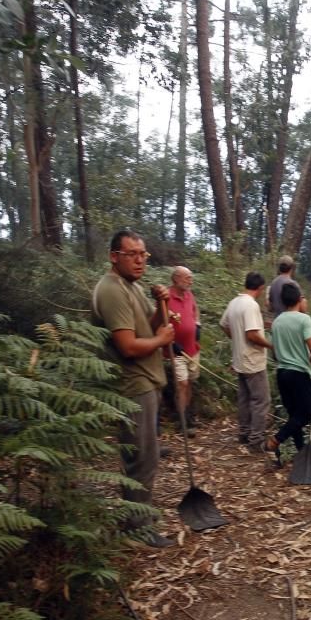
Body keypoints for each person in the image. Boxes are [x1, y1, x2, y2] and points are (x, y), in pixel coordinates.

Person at [91, 229, 176, 548]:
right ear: (115, 257)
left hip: (146, 380)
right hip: (132, 384)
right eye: (132, 254)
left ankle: (138, 518)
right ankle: (137, 528)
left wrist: (158, 306)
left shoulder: (133, 287)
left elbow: (147, 329)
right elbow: (127, 346)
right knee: (140, 459)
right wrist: (161, 341)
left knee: (147, 456)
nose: (140, 260)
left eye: (144, 254)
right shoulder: (111, 290)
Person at [265, 283, 311, 466]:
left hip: (282, 373)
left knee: (293, 415)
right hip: (299, 374)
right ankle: (275, 441)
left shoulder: (277, 322)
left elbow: (276, 352)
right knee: (306, 414)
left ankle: (301, 452)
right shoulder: (303, 320)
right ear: (299, 299)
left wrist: (303, 355)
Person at [219, 272, 273, 452]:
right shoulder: (251, 305)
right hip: (253, 360)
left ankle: (244, 432)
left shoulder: (235, 302)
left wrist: (236, 340)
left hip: (239, 359)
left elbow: (224, 324)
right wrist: (271, 346)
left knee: (244, 398)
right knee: (260, 400)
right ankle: (256, 439)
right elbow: (251, 334)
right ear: (260, 288)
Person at [168, 266, 200, 435]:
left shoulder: (189, 295)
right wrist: (171, 342)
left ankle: (188, 415)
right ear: (176, 279)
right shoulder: (166, 297)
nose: (190, 280)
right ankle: (181, 422)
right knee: (182, 383)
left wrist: (198, 327)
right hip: (176, 351)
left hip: (192, 349)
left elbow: (195, 311)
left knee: (190, 383)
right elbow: (158, 321)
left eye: (190, 277)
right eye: (187, 277)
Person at [267, 255, 301, 322]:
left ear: (279, 268)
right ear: (291, 268)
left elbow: (270, 307)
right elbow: (303, 308)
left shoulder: (273, 283)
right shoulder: (293, 284)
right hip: (291, 322)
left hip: (277, 321)